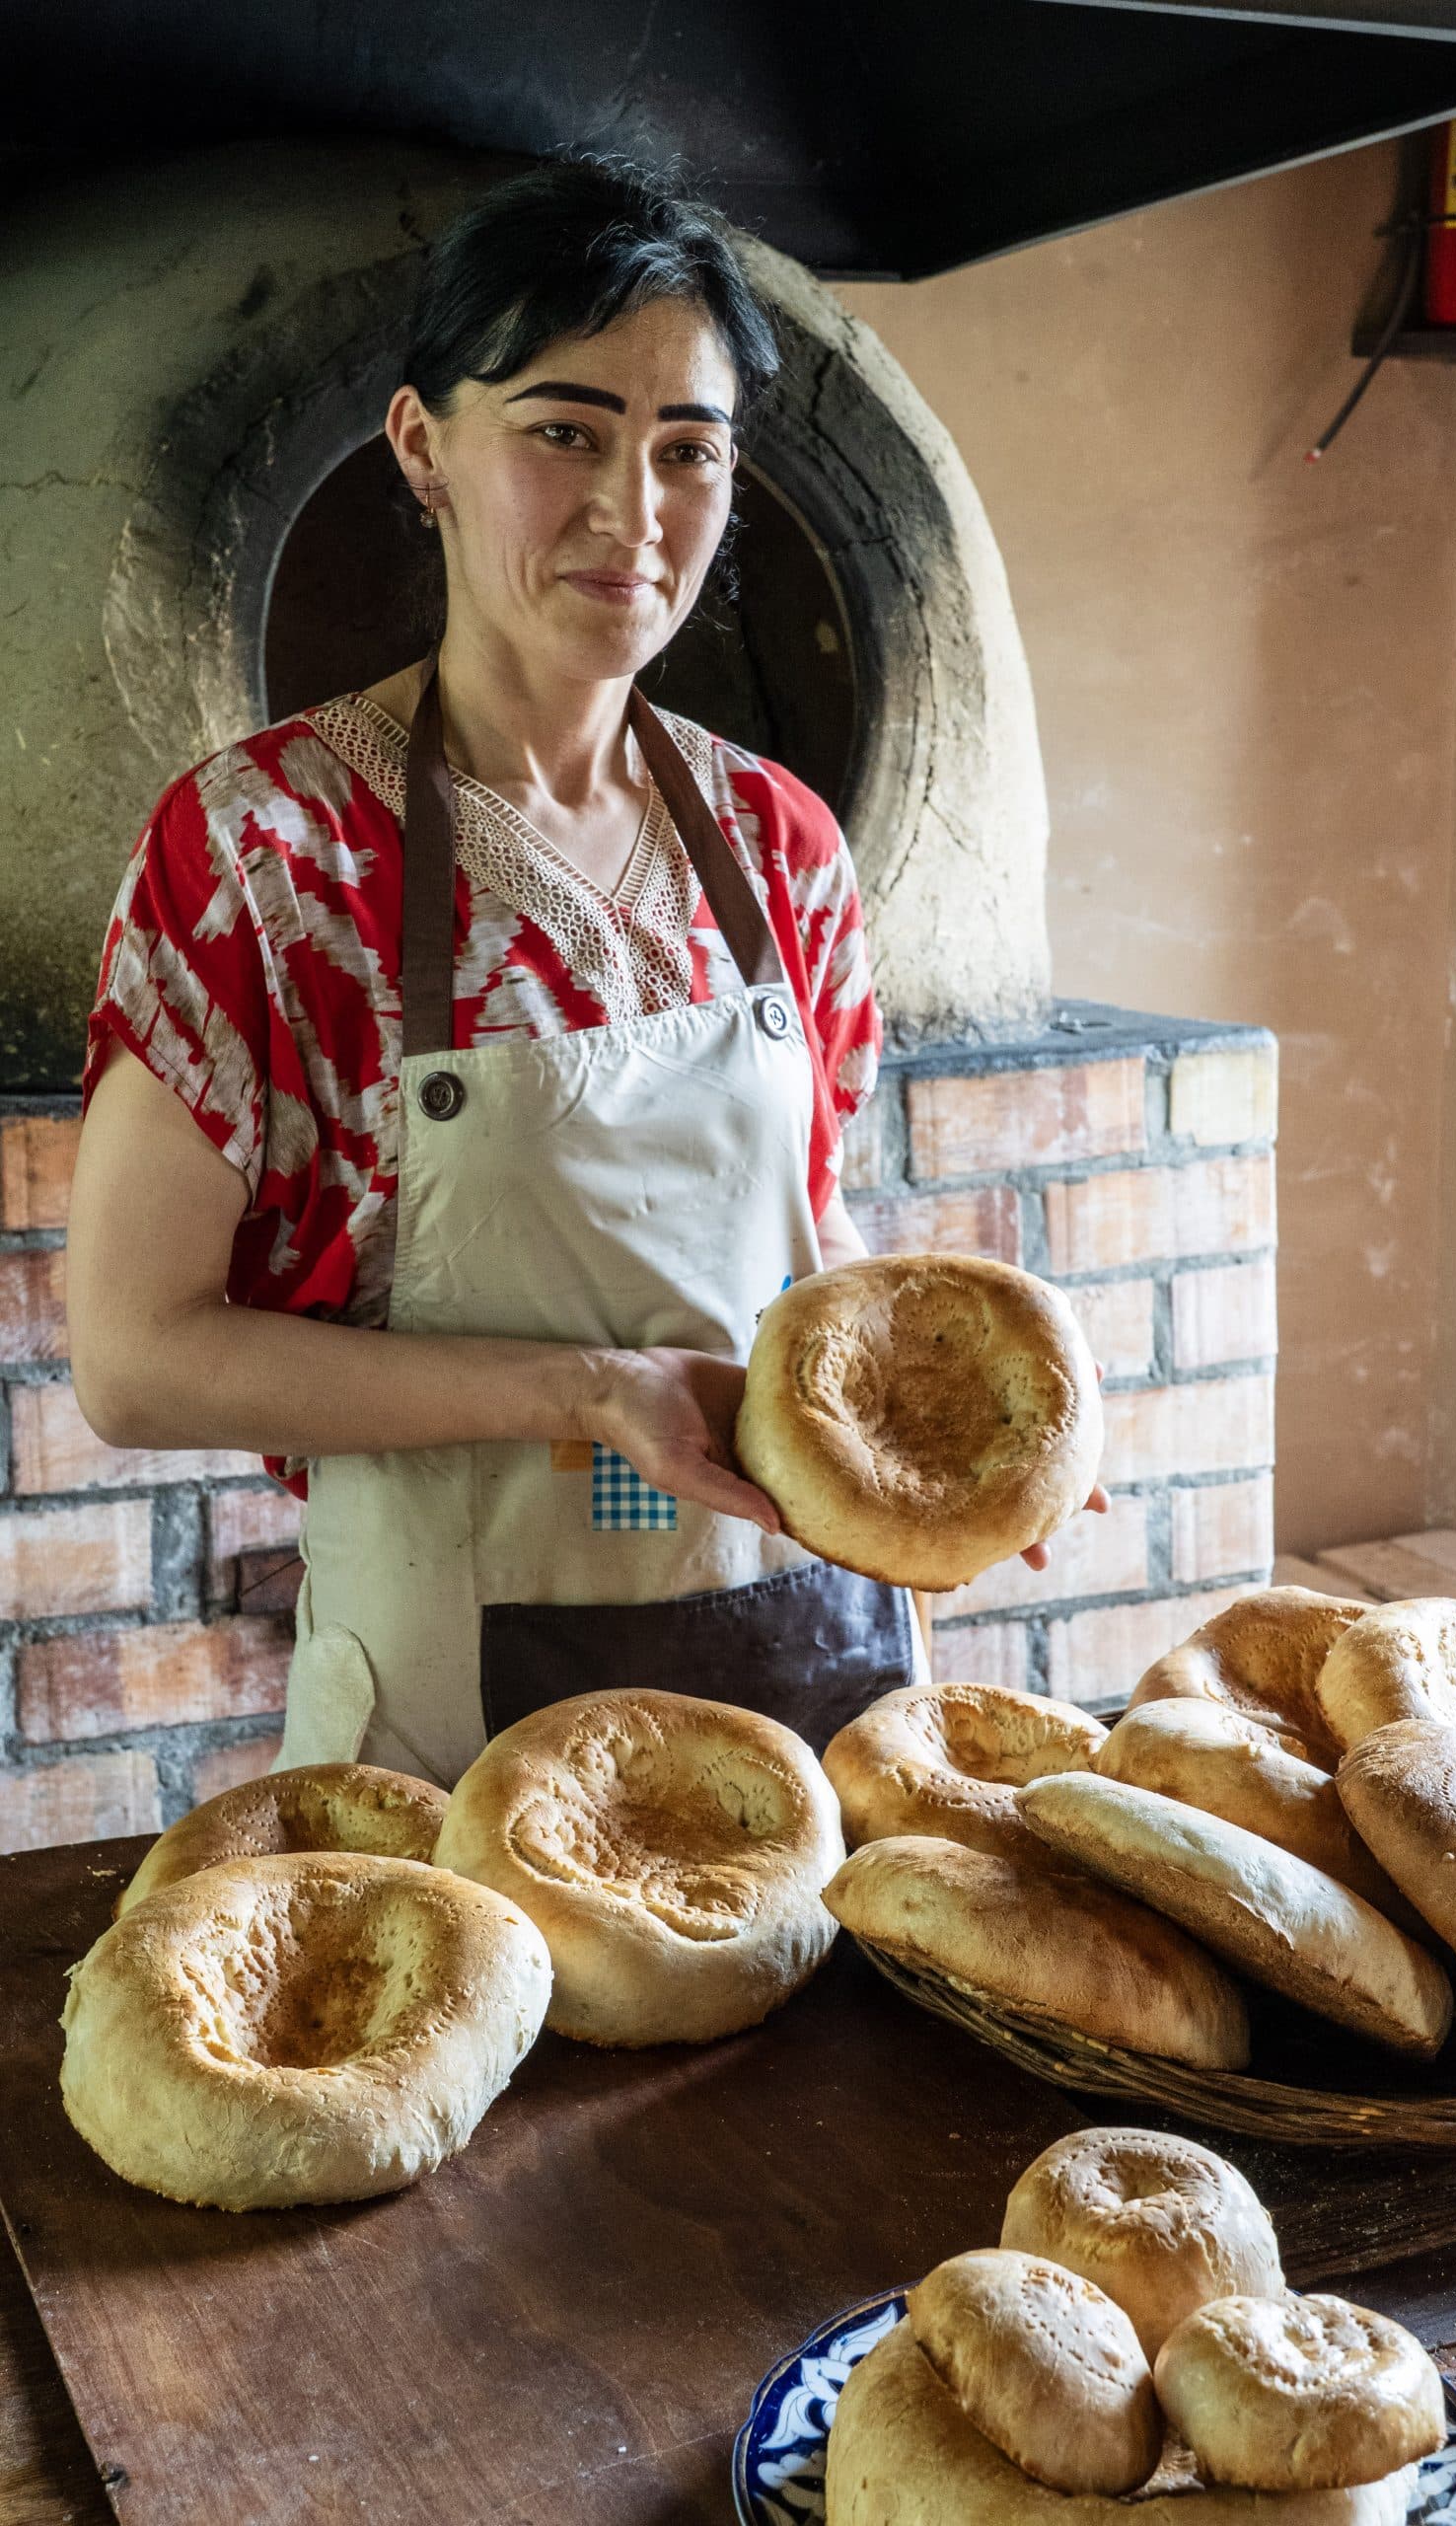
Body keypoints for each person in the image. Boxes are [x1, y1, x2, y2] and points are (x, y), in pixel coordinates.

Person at [67, 153, 1105, 1788]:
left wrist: (933, 1442)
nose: (636, 512)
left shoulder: (779, 846)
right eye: (566, 431)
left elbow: (814, 1248)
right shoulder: (271, 854)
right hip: (450, 1716)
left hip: (802, 1656)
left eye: (690, 450)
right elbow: (133, 1360)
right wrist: (594, 1391)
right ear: (423, 447)